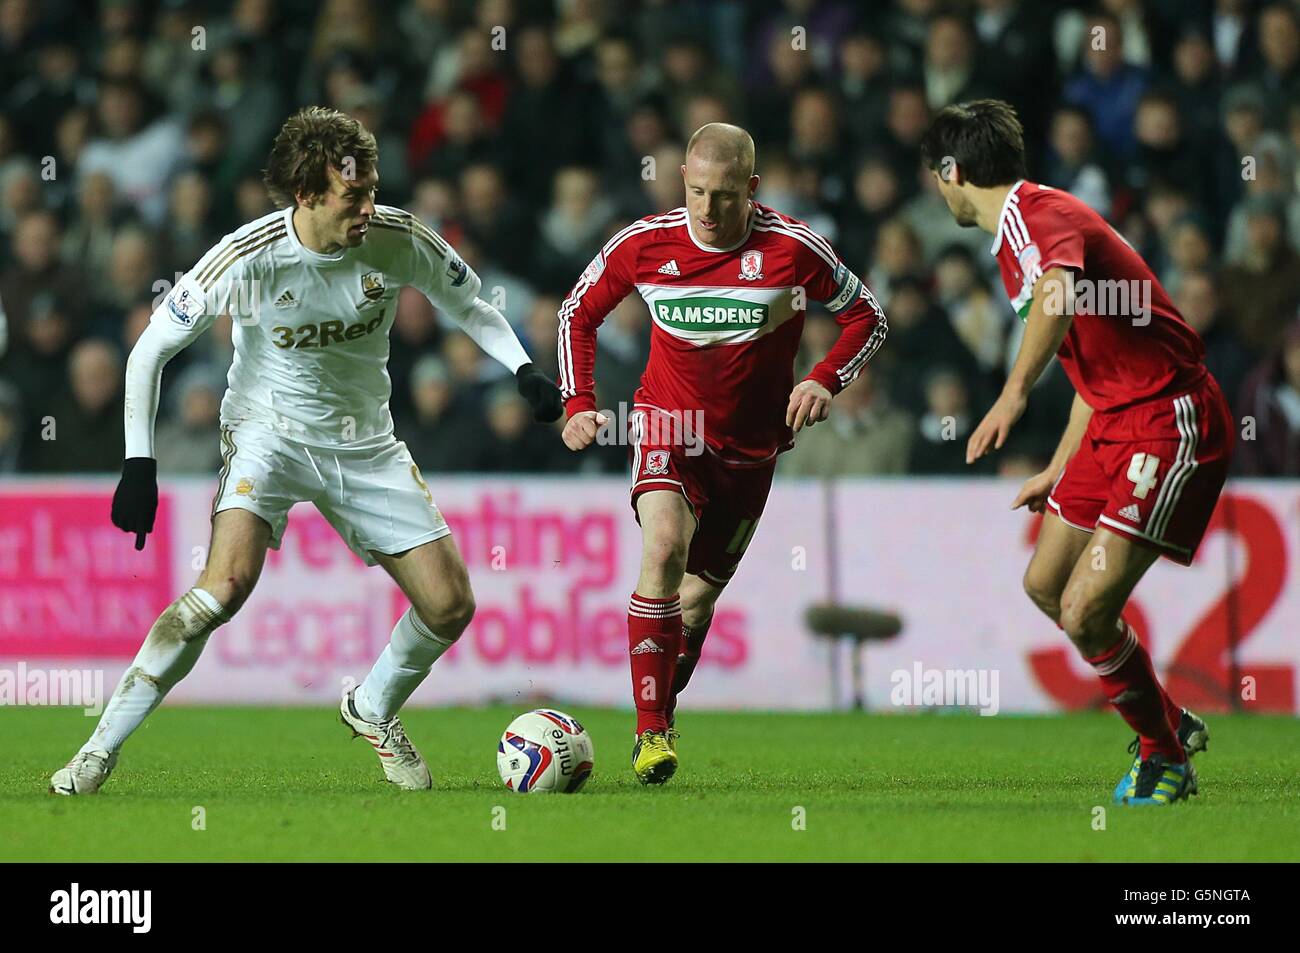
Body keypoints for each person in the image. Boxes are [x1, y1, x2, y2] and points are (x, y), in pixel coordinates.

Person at [50, 106, 562, 796]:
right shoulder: (249, 256)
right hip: (268, 433)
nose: (369, 207)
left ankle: (373, 705)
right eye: (354, 196)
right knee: (223, 588)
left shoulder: (398, 238)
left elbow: (470, 302)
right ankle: (97, 750)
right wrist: (138, 463)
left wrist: (521, 367)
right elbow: (149, 351)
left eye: (372, 189)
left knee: (450, 606)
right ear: (307, 194)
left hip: (365, 444)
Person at [921, 100, 1233, 806]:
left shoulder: (1041, 217)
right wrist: (1061, 464)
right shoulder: (1019, 233)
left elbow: (1057, 297)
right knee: (1047, 584)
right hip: (1110, 420)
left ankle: (1166, 757)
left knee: (1087, 609)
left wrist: (1011, 394)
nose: (937, 191)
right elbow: (1089, 367)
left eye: (936, 176)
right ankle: (1169, 717)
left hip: (1166, 415)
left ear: (952, 170)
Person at [557, 122, 887, 784]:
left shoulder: (793, 250)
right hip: (666, 427)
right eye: (699, 191)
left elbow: (868, 317)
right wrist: (577, 402)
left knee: (697, 604)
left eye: (726, 195)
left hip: (750, 448)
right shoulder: (646, 244)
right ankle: (652, 734)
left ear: (753, 189)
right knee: (662, 549)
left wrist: (824, 376)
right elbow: (577, 311)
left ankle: (660, 710)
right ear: (683, 179)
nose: (709, 210)